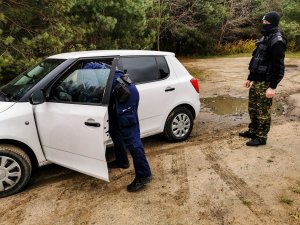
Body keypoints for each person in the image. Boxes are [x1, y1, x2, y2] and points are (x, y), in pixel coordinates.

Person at [239, 11, 287, 146]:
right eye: (263, 21)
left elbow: (278, 66)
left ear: (271, 22)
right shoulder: (265, 37)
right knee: (253, 108)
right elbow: (257, 59)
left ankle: (261, 137)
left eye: (266, 22)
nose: (263, 23)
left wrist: (272, 86)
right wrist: (249, 77)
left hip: (266, 82)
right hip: (257, 80)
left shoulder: (277, 40)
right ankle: (253, 131)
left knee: (263, 111)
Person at [107, 66, 152, 192]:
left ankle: (144, 174)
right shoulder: (93, 66)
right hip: (118, 92)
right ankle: (122, 161)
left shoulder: (89, 68)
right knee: (115, 129)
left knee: (132, 138)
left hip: (124, 93)